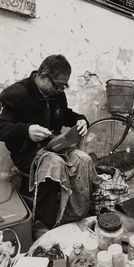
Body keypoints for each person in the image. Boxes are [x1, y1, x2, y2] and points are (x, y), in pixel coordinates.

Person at [0, 54, 97, 232]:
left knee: (83, 159)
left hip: (54, 146)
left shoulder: (57, 95)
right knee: (54, 163)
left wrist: (81, 120)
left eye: (64, 86)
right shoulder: (16, 94)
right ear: (43, 76)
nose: (61, 90)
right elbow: (2, 127)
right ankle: (43, 223)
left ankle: (77, 214)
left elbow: (65, 114)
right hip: (26, 154)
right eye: (59, 85)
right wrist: (25, 131)